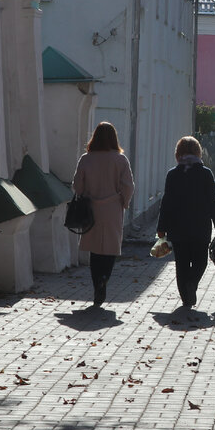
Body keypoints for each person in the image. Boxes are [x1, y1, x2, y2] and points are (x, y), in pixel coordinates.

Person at [157, 136, 215, 310]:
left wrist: (161, 228)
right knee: (201, 261)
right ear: (198, 152)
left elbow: (167, 202)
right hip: (200, 227)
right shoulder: (205, 173)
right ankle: (192, 284)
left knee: (182, 263)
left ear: (178, 153)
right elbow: (213, 201)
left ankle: (186, 298)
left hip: (177, 228)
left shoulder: (173, 174)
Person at [72, 121, 135, 307]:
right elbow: (128, 186)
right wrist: (124, 202)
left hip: (90, 208)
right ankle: (105, 278)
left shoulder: (86, 158)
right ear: (114, 138)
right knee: (110, 248)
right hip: (112, 208)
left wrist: (85, 195)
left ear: (95, 137)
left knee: (94, 250)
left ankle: (96, 283)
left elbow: (77, 184)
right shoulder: (120, 160)